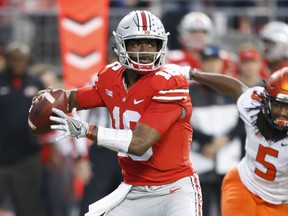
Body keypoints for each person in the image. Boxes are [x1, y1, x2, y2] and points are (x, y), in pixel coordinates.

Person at [32, 10, 202, 216]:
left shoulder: (169, 82)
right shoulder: (111, 77)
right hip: (134, 187)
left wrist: (85, 130)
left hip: (175, 188)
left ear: (161, 45)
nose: (145, 50)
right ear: (122, 45)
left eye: (151, 44)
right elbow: (75, 99)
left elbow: (139, 144)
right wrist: (50, 99)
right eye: (136, 43)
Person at [189, 66, 288, 215]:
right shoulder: (254, 105)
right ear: (266, 100)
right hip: (244, 185)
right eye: (278, 105)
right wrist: (193, 74)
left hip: (280, 202)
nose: (281, 113)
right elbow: (235, 88)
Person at [189, 44, 242, 216]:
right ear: (201, 64)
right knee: (200, 208)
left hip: (228, 160)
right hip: (201, 157)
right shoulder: (191, 91)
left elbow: (243, 122)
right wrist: (208, 141)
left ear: (221, 62)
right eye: (208, 61)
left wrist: (222, 140)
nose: (212, 65)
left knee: (229, 209)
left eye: (215, 61)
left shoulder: (232, 89)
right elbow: (184, 123)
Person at [0, 41, 45, 216]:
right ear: (7, 60)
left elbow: (48, 117)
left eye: (22, 60)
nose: (18, 63)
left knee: (27, 207)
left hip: (27, 158)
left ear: (28, 61)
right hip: (1, 157)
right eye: (14, 59)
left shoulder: (36, 84)